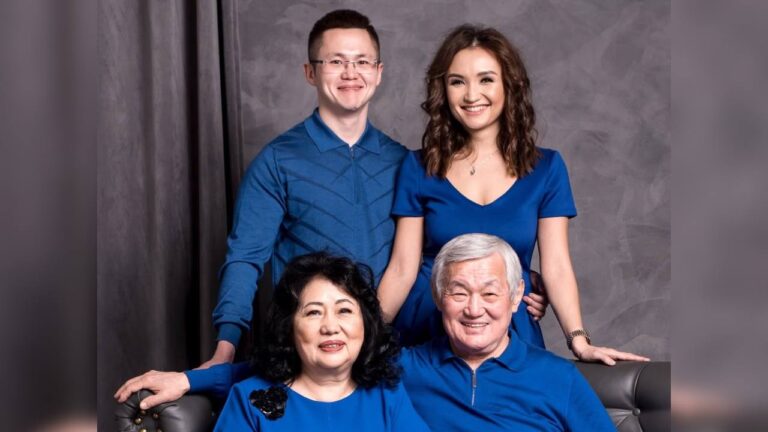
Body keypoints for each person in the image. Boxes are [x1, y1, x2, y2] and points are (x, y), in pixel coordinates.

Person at [202, 10, 549, 368]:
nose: (351, 73)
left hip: (389, 346)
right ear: (310, 72)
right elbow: (244, 258)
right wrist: (226, 345)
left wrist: (519, 278)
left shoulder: (406, 162)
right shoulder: (277, 161)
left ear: (378, 72)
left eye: (362, 62)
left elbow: (446, 241)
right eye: (336, 61)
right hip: (312, 347)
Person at [116, 235, 617, 431]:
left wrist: (579, 339)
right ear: (438, 298)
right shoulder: (397, 370)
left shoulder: (559, 378)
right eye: (458, 292)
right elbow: (301, 364)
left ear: (515, 298)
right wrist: (188, 380)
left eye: (490, 293)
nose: (474, 309)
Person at [376, 24, 648, 364]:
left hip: (508, 321)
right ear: (442, 90)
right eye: (457, 81)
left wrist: (578, 340)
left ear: (509, 85)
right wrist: (365, 341)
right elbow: (402, 268)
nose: (471, 95)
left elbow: (556, 265)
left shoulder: (547, 168)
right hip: (428, 319)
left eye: (486, 79)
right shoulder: (418, 167)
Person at [216, 252, 429, 430]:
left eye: (344, 310)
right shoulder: (248, 400)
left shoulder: (387, 394)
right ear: (289, 327)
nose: (330, 327)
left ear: (365, 323)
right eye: (314, 312)